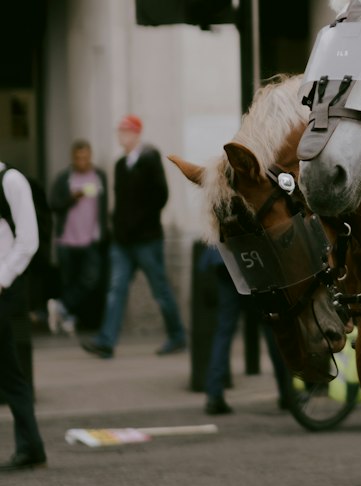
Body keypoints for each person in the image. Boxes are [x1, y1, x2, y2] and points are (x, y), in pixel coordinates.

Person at [81, 116, 187, 360]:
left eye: (125, 132)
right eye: (119, 131)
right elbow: (120, 202)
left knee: (160, 289)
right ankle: (106, 341)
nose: (121, 136)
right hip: (123, 242)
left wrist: (139, 223)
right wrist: (117, 227)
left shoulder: (149, 159)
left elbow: (160, 196)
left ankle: (177, 335)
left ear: (136, 134)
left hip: (146, 240)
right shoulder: (120, 165)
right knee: (115, 290)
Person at [198, 245, 293, 415]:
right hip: (252, 258)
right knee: (271, 326)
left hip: (224, 260)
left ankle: (214, 394)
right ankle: (287, 392)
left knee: (224, 331)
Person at [0, 161, 48, 470]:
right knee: (10, 372)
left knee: (10, 371)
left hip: (7, 288)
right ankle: (32, 447)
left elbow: (28, 240)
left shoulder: (12, 181)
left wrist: (2, 278)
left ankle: (32, 447)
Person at [48, 140, 109, 337]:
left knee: (91, 279)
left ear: (90, 157)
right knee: (69, 280)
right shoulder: (64, 178)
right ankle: (68, 317)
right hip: (67, 239)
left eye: (85, 157)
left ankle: (61, 306)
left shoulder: (99, 176)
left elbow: (103, 204)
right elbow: (54, 204)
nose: (82, 161)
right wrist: (71, 198)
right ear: (73, 158)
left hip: (90, 239)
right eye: (78, 158)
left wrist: (103, 231)